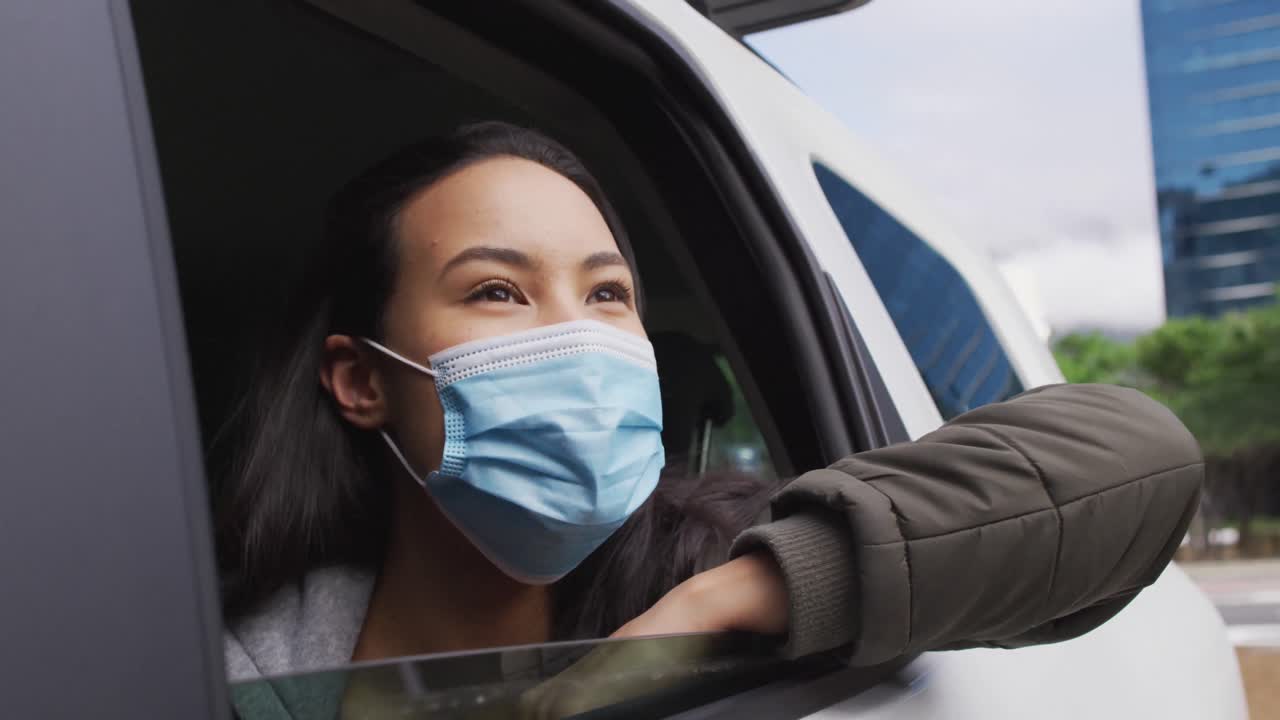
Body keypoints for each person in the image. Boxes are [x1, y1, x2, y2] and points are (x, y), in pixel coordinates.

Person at [217, 122, 1201, 690]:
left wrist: (715, 606)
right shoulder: (232, 662)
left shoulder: (711, 554)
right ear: (361, 380)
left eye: (607, 296)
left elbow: (1139, 454)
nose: (581, 339)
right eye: (497, 291)